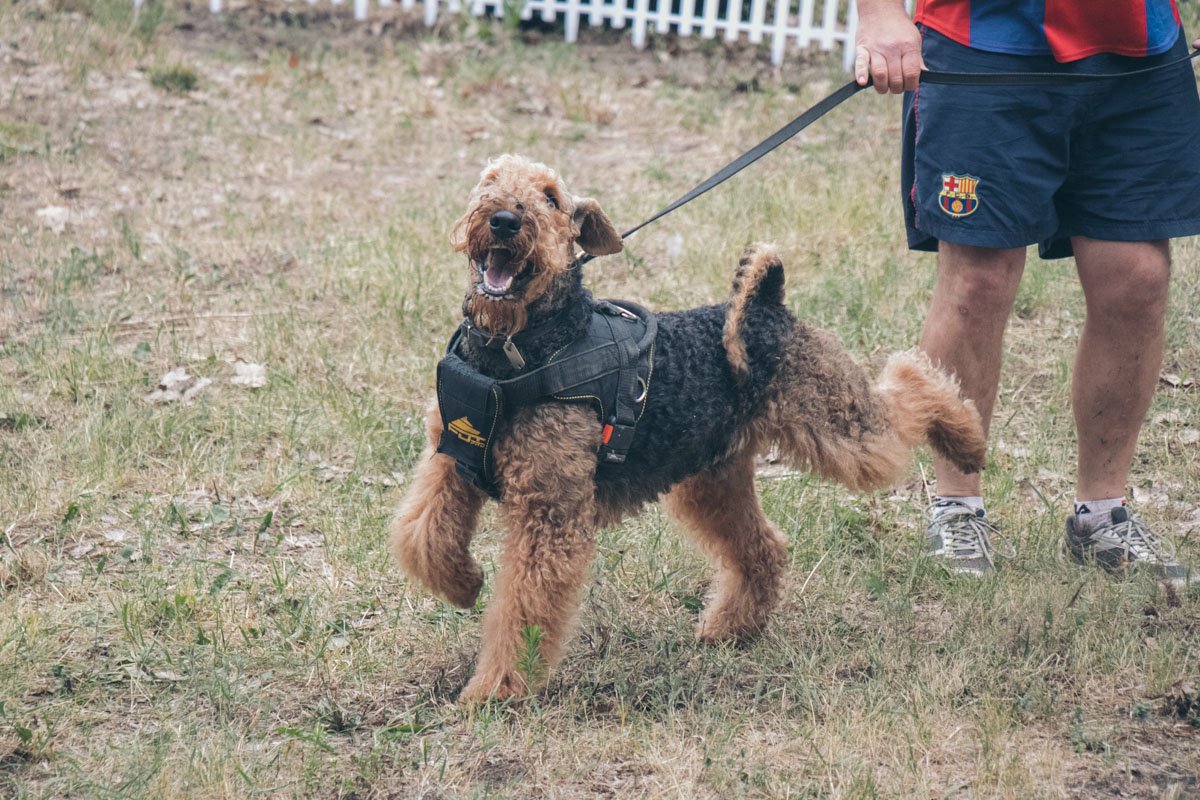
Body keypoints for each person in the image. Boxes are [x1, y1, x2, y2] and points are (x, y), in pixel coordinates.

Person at [853, 0, 1200, 587]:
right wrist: (880, 13)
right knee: (978, 280)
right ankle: (956, 508)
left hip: (1136, 45)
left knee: (1138, 278)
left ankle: (1101, 516)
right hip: (984, 38)